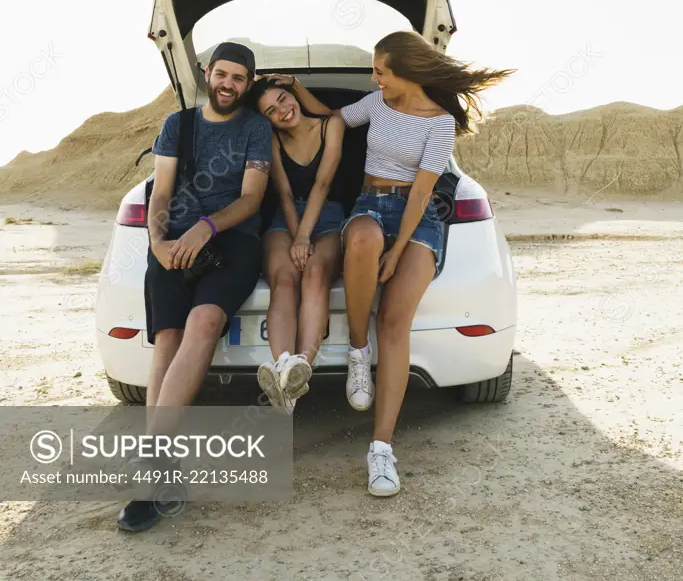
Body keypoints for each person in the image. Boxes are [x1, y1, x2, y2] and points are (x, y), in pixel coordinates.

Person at [263, 30, 512, 497]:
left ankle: (381, 449)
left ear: (407, 74)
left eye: (381, 70)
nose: (374, 77)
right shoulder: (376, 104)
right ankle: (358, 352)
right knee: (360, 242)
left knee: (396, 322)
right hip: (370, 204)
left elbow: (422, 192)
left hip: (418, 217)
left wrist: (398, 252)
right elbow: (328, 118)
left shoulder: (439, 124)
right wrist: (295, 88)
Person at [117, 41, 272, 533]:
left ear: (248, 84)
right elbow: (159, 192)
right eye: (221, 74)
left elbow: (251, 199)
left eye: (239, 78)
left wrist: (207, 225)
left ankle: (152, 468)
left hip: (233, 241)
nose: (228, 84)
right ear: (207, 73)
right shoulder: (176, 125)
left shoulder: (255, 128)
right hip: (172, 242)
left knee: (203, 321)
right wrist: (159, 240)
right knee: (168, 337)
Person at [246, 77, 345, 413]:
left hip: (330, 217)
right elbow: (285, 192)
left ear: (295, 94)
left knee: (315, 273)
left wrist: (304, 237)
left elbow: (323, 182)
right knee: (285, 279)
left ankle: (300, 370)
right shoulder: (272, 139)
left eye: (284, 99)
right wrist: (295, 235)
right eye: (271, 111)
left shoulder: (331, 125)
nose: (283, 111)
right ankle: (284, 366)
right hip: (283, 220)